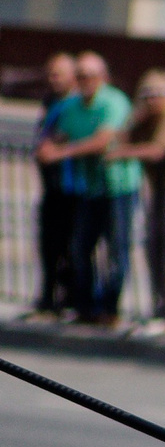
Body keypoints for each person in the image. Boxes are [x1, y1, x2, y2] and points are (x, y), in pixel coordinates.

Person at [38, 52, 141, 328]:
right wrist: (49, 146)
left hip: (118, 186)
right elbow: (59, 133)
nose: (85, 81)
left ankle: (109, 308)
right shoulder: (71, 106)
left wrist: (61, 153)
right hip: (89, 187)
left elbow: (103, 141)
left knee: (117, 248)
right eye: (80, 75)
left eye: (91, 75)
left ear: (103, 77)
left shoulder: (114, 102)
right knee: (80, 248)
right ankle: (85, 307)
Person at [102, 69, 165, 339]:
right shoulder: (147, 115)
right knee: (154, 244)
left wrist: (124, 153)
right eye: (147, 95)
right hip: (157, 185)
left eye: (159, 94)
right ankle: (161, 305)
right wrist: (135, 119)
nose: (153, 100)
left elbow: (159, 150)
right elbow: (118, 140)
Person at [25, 53, 78, 320]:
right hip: (51, 184)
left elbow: (73, 134)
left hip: (71, 185)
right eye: (50, 73)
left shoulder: (76, 102)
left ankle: (67, 298)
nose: (53, 79)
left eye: (59, 73)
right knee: (48, 242)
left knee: (69, 243)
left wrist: (54, 146)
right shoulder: (51, 101)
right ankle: (47, 296)